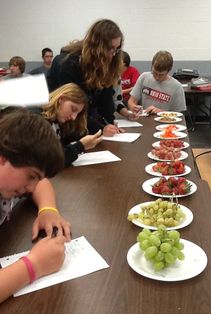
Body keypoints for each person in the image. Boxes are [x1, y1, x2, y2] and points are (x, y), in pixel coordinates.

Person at [0, 110, 71, 303]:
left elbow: (42, 183)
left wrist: (48, 210)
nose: (31, 187)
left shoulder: (9, 175)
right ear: (3, 157)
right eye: (31, 176)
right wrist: (34, 265)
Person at [47, 19, 125, 136]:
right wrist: (100, 128)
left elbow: (106, 101)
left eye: (116, 49)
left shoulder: (106, 65)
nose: (113, 54)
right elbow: (73, 109)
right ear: (98, 46)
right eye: (110, 48)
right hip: (61, 124)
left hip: (83, 121)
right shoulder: (68, 63)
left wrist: (109, 123)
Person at [36, 83, 103, 167]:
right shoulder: (36, 119)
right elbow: (49, 160)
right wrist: (81, 146)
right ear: (61, 99)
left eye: (77, 113)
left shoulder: (56, 120)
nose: (74, 117)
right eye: (73, 109)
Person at [128, 50, 186, 114]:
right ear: (152, 66)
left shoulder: (177, 87)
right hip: (144, 119)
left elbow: (179, 114)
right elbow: (131, 101)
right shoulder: (144, 77)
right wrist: (133, 107)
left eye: (161, 75)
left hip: (164, 121)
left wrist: (161, 112)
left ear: (169, 71)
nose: (157, 77)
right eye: (154, 73)